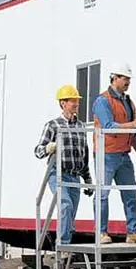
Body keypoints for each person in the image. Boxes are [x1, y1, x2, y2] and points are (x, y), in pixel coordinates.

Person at [91, 62, 136, 244]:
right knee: (102, 194)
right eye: (125, 78)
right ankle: (101, 232)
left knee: (130, 192)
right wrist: (133, 125)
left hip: (123, 154)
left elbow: (131, 130)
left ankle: (133, 232)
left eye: (128, 79)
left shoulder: (128, 101)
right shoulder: (102, 101)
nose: (128, 82)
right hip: (106, 154)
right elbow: (108, 127)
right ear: (114, 78)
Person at [34, 84, 93, 245]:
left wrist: (87, 179)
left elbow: (84, 154)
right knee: (65, 205)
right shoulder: (53, 125)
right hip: (58, 173)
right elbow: (37, 151)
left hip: (75, 177)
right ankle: (64, 244)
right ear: (63, 103)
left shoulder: (81, 126)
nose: (76, 103)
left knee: (71, 212)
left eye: (76, 100)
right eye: (72, 100)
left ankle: (66, 243)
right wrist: (48, 148)